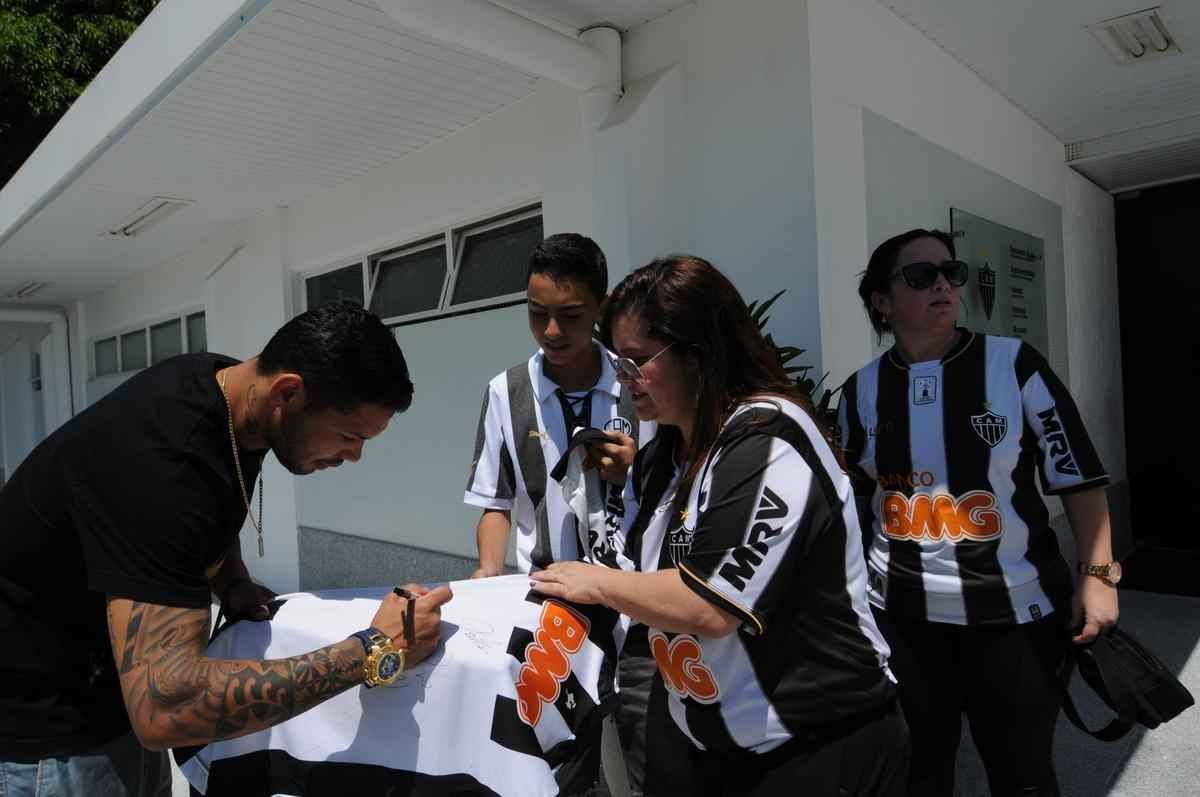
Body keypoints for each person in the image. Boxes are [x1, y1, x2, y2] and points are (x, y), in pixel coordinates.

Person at [0, 302, 452, 797]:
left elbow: (210, 500)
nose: (353, 457)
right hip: (49, 747)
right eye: (349, 436)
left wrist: (230, 578)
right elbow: (166, 707)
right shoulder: (164, 464)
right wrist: (372, 650)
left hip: (108, 712)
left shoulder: (227, 394)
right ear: (288, 393)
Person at [531, 255, 909, 797]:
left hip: (813, 746)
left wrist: (594, 583)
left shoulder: (768, 442)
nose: (624, 378)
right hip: (706, 737)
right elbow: (644, 571)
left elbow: (707, 603)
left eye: (637, 362)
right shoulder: (668, 451)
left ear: (698, 354)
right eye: (619, 361)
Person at [840, 228, 1119, 796]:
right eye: (921, 275)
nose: (943, 283)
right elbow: (854, 501)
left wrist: (1098, 575)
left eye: (951, 272)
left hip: (1013, 621)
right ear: (882, 301)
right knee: (920, 774)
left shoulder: (1014, 366)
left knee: (1023, 778)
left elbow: (1079, 479)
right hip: (904, 623)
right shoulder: (858, 393)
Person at [464, 232, 687, 795]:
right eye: (538, 315)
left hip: (638, 610)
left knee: (646, 754)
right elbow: (494, 499)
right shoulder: (504, 391)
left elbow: (685, 486)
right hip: (551, 611)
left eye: (571, 314)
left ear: (602, 307)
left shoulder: (645, 380)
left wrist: (636, 469)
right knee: (558, 764)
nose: (553, 331)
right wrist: (488, 570)